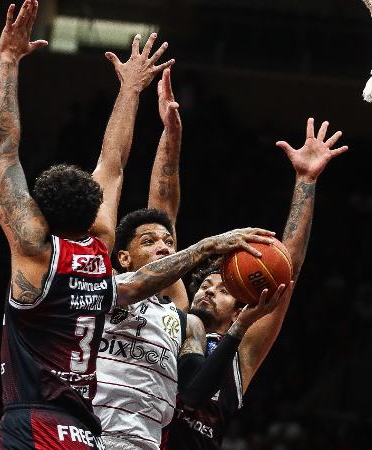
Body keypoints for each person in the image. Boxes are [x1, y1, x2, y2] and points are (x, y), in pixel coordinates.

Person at [0, 2, 275, 448]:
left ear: (37, 217)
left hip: (36, 421)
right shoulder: (102, 270)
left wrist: (7, 60)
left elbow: (2, 149)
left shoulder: (33, 255)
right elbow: (113, 165)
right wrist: (129, 91)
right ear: (96, 217)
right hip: (85, 431)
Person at [92, 67, 283, 449]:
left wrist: (172, 135)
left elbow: (195, 391)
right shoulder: (101, 289)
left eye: (169, 243)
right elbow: (141, 195)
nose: (166, 247)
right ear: (124, 258)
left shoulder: (178, 318)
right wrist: (170, 136)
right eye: (152, 242)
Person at [162, 118, 349, 449]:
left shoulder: (242, 352)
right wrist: (170, 138)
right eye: (206, 284)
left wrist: (306, 180)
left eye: (222, 290)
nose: (207, 290)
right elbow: (163, 222)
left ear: (239, 312)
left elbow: (288, 268)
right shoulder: (175, 321)